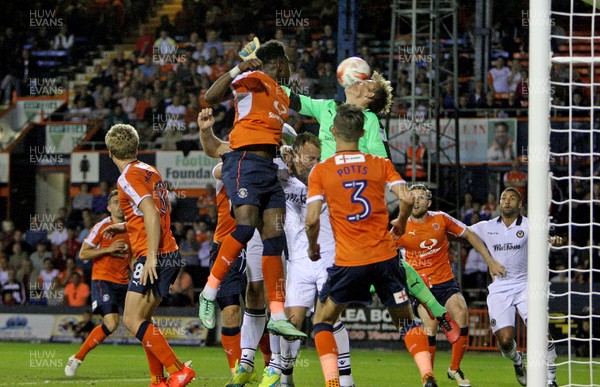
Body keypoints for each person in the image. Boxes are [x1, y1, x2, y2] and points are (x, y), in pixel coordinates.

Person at [305, 104, 436, 387]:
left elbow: (312, 219)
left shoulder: (321, 171)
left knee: (322, 321)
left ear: (333, 131)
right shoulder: (380, 163)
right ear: (363, 132)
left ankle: (332, 382)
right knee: (405, 322)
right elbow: (407, 197)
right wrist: (400, 222)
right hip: (385, 258)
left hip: (350, 261)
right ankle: (427, 374)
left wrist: (313, 247)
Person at [197, 40, 305, 341]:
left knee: (274, 238)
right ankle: (208, 292)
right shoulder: (251, 79)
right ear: (280, 64)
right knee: (244, 227)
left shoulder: (282, 96)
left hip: (267, 168)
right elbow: (210, 96)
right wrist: (237, 67)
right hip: (243, 161)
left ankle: (279, 315)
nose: (290, 70)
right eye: (289, 65)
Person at [102, 124, 195, 386]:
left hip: (154, 255)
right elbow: (151, 213)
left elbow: (152, 213)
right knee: (144, 320)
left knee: (131, 319)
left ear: (110, 153)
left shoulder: (126, 178)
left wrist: (151, 256)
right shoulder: (149, 170)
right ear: (137, 148)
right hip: (169, 252)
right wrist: (124, 226)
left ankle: (179, 369)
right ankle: (158, 380)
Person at [396, 184, 506, 387]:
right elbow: (384, 250)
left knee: (462, 312)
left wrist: (490, 261)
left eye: (421, 197)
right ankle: (429, 377)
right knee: (430, 325)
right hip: (420, 287)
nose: (417, 200)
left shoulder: (441, 218)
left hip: (445, 282)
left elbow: (470, 234)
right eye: (413, 197)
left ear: (429, 202)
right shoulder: (400, 227)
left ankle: (454, 368)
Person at [470, 187, 559, 387]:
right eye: (504, 198)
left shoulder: (530, 225)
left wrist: (553, 240)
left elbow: (548, 237)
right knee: (505, 339)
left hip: (526, 285)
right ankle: (518, 361)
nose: (507, 201)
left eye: (512, 198)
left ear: (520, 205)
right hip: (500, 288)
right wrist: (488, 260)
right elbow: (465, 234)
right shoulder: (487, 226)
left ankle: (551, 379)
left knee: (541, 332)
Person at [65, 190, 132, 377]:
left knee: (142, 321)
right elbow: (83, 253)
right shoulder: (102, 227)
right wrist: (108, 249)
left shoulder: (132, 227)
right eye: (115, 202)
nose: (119, 205)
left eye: (122, 202)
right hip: (104, 280)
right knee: (111, 324)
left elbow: (132, 254)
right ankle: (77, 358)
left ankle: (169, 366)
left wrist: (136, 269)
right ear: (109, 207)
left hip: (125, 281)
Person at [283, 70, 392, 160]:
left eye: (363, 83)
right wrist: (268, 83)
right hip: (326, 179)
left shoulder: (370, 120)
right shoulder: (328, 106)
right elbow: (295, 100)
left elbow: (382, 160)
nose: (356, 81)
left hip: (353, 180)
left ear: (370, 94)